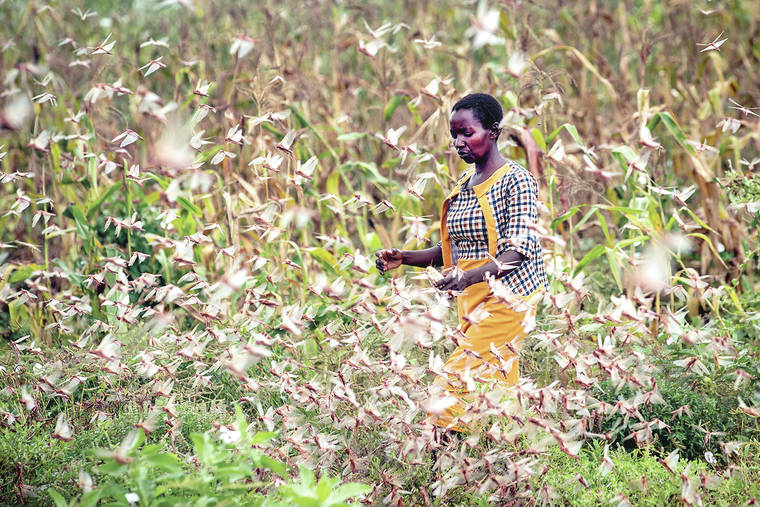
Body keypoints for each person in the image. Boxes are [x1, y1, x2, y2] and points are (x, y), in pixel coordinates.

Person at [375, 93, 547, 432]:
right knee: (494, 394)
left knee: (452, 386)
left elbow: (518, 250)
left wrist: (466, 279)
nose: (458, 142)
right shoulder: (465, 184)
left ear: (493, 132)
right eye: (454, 135)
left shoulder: (517, 180)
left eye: (467, 133)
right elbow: (454, 247)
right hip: (474, 302)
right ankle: (505, 467)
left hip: (510, 299)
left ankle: (439, 472)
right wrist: (404, 257)